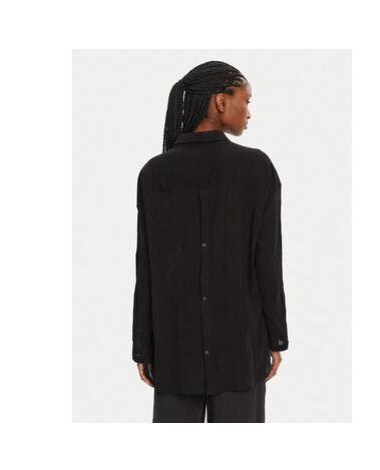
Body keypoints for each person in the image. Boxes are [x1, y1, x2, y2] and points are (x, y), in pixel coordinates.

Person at [132, 60, 289, 423]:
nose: (248, 112)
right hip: (240, 350)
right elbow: (267, 261)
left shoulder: (155, 173)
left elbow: (147, 267)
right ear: (221, 101)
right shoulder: (256, 168)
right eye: (245, 100)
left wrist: (143, 346)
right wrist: (275, 338)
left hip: (174, 351)